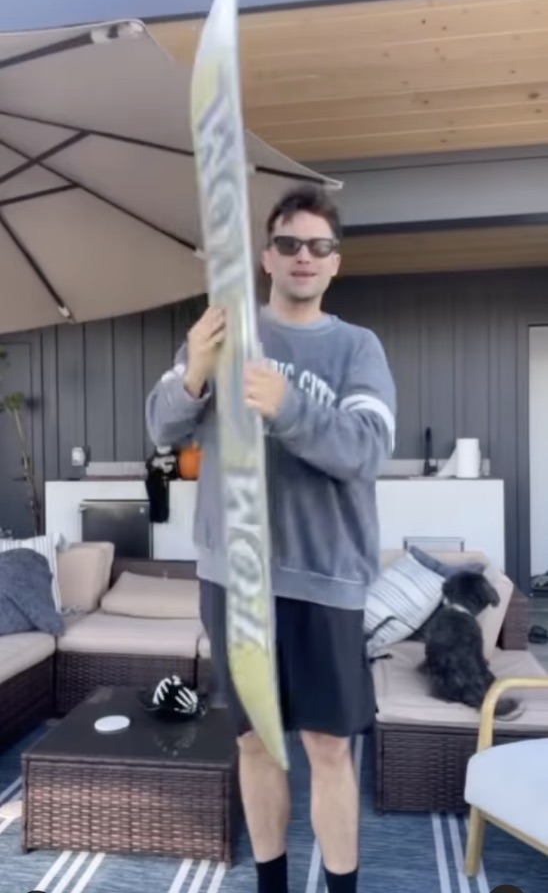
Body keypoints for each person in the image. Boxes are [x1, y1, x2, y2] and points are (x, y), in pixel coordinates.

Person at [145, 185, 396, 893]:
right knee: (255, 746)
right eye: (289, 243)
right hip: (237, 580)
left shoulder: (357, 348)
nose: (304, 257)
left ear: (335, 262)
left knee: (326, 747)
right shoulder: (224, 332)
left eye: (319, 246)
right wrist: (195, 366)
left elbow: (368, 448)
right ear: (267, 256)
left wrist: (288, 408)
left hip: (325, 578)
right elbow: (162, 428)